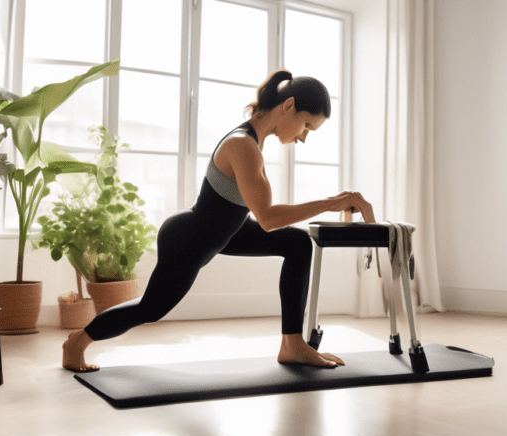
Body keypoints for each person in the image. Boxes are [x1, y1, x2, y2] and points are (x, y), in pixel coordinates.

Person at [63, 69, 376, 372]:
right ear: (289, 106)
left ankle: (292, 345)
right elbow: (267, 218)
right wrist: (331, 203)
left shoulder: (254, 141)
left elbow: (255, 213)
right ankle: (76, 343)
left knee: (296, 244)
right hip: (191, 238)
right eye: (306, 125)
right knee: (151, 308)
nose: (304, 137)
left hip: (227, 232)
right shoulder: (243, 144)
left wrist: (332, 203)